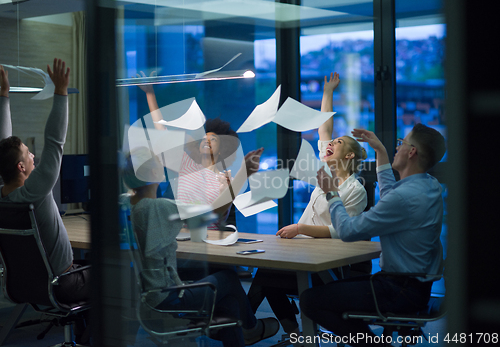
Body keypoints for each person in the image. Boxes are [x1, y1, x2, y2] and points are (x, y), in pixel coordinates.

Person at [299, 124, 446, 347]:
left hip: (399, 291)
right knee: (325, 291)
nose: (398, 147)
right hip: (414, 286)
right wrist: (381, 151)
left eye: (401, 143)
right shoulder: (429, 185)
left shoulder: (404, 197)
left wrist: (331, 193)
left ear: (411, 151)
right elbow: (391, 194)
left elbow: (347, 231)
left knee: (310, 300)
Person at [247, 72, 369, 339]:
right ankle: (285, 332)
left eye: (337, 143)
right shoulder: (327, 170)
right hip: (303, 252)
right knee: (266, 273)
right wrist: (328, 93)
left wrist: (301, 227)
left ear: (349, 155)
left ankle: (256, 329)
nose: (330, 143)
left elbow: (342, 232)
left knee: (266, 276)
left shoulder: (355, 189)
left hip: (327, 263)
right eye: (332, 142)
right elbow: (324, 127)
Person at [120, 146, 279, 347]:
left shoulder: (127, 204)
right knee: (228, 276)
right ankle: (253, 328)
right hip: (167, 299)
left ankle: (246, 333)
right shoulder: (157, 207)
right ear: (153, 174)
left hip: (146, 296)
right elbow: (216, 210)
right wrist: (243, 173)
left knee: (229, 304)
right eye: (159, 164)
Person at [0, 60, 91, 343]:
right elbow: (55, 142)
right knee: (114, 274)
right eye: (28, 155)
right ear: (21, 168)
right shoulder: (35, 192)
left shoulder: (3, 198)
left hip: (23, 287)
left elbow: (2, 148)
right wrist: (61, 93)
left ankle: (84, 335)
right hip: (63, 284)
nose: (34, 158)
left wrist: (4, 96)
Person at [137, 74, 239, 226]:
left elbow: (220, 215)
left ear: (221, 150)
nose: (207, 140)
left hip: (209, 241)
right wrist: (150, 94)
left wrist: (227, 193)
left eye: (214, 139)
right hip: (181, 236)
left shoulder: (223, 179)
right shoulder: (186, 165)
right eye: (205, 137)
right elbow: (161, 131)